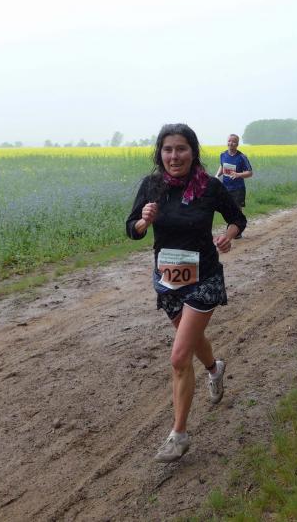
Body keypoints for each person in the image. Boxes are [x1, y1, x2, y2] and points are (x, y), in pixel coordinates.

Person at [126, 123, 247, 463]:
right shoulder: (152, 186)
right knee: (191, 340)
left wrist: (228, 236)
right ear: (160, 153)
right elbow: (131, 229)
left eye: (181, 149)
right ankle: (214, 368)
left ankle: (178, 435)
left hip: (203, 278)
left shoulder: (209, 186)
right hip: (168, 280)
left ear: (193, 152)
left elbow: (238, 219)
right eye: (168, 149)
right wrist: (143, 222)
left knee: (179, 356)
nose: (174, 156)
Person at [215, 134, 253, 238]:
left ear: (237, 144)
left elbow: (250, 173)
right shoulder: (223, 155)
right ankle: (232, 228)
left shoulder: (242, 157)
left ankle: (238, 231)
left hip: (238, 188)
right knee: (227, 208)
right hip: (225, 187)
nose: (231, 143)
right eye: (229, 141)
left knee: (237, 209)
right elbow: (222, 166)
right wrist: (217, 175)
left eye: (233, 141)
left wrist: (238, 175)